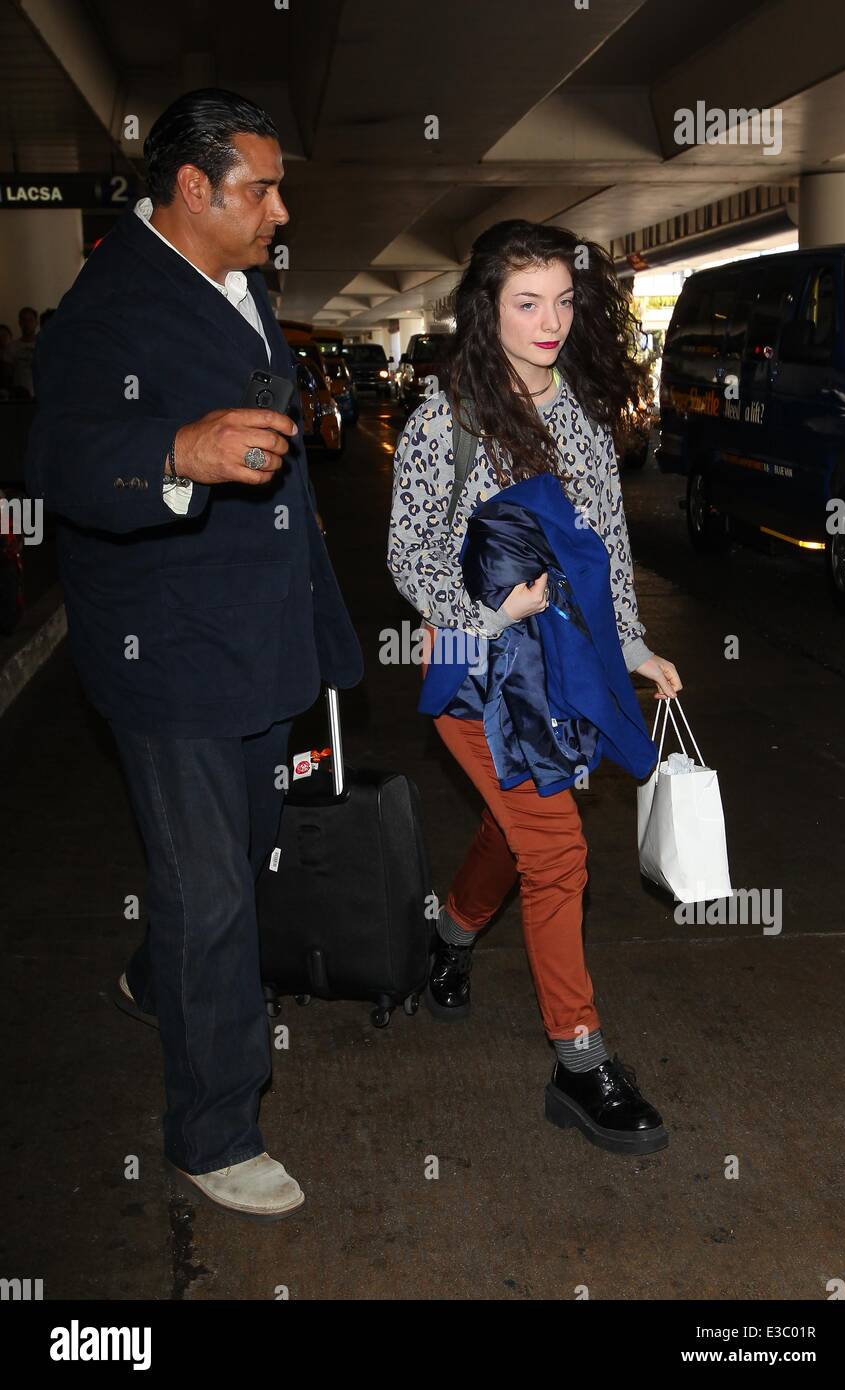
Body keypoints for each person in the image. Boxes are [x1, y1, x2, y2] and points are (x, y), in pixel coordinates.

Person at [26, 88, 363, 1220]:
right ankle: (212, 1130)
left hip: (259, 641)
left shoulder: (243, 285)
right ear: (190, 189)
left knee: (237, 863)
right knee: (212, 891)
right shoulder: (106, 307)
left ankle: (152, 974)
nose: (278, 210)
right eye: (259, 189)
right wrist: (179, 447)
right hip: (166, 654)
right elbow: (65, 463)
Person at [387, 219, 682, 1156]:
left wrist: (631, 647)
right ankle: (579, 1061)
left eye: (563, 300)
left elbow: (606, 551)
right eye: (527, 303)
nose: (550, 320)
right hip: (481, 679)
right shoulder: (452, 415)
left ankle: (451, 934)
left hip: (562, 672)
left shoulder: (584, 413)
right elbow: (407, 549)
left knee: (514, 830)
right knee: (556, 851)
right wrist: (488, 615)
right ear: (488, 309)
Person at [9, 306, 39, 397]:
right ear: (20, 323)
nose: (27, 324)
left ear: (36, 322)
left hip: (41, 394)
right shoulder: (12, 346)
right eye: (24, 320)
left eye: (30, 320)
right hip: (19, 396)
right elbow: (7, 375)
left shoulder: (44, 345)